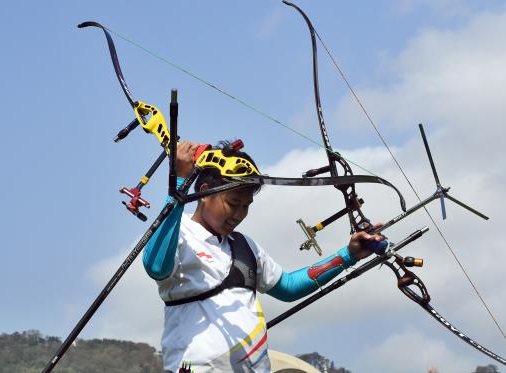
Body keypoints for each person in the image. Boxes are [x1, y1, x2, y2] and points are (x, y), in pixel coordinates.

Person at [143, 141, 387, 373]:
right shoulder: (178, 232)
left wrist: (348, 255)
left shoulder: (244, 245)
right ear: (205, 193)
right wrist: (179, 186)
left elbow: (288, 287)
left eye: (246, 206)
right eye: (233, 203)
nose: (239, 214)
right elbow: (156, 266)